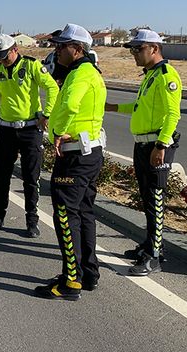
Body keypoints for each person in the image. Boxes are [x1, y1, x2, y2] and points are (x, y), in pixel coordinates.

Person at [34, 23, 106, 300]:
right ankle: (88, 274)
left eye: (61, 46)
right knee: (84, 213)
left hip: (75, 154)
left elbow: (69, 106)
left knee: (65, 215)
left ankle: (71, 282)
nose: (57, 51)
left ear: (77, 49)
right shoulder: (91, 72)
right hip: (89, 153)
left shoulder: (80, 74)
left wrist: (56, 134)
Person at [105, 30, 182, 276]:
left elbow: (173, 115)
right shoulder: (150, 76)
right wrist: (114, 106)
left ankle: (155, 256)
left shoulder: (167, 76)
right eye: (132, 50)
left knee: (156, 200)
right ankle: (149, 246)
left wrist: (161, 146)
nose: (133, 54)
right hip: (143, 144)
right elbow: (140, 108)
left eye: (137, 49)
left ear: (153, 48)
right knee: (147, 199)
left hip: (156, 146)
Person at [0, 34, 59, 238]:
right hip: (6, 130)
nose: (2, 60)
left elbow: (52, 87)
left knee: (30, 178)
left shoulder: (31, 66)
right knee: (2, 177)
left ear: (15, 49)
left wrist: (47, 114)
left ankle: (32, 220)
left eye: (4, 55)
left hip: (30, 130)